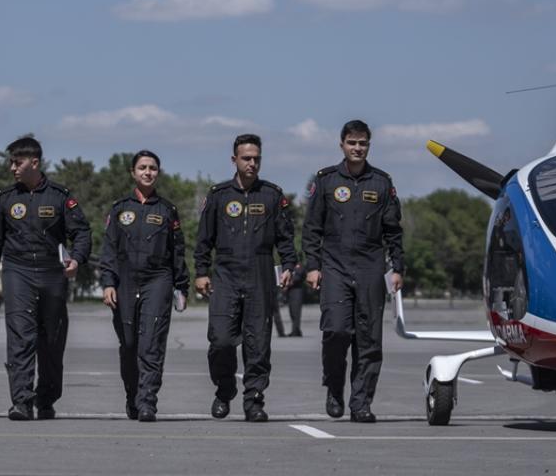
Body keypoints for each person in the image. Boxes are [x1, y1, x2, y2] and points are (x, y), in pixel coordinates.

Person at [0, 136, 91, 421]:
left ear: (34, 162)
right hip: (18, 272)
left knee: (51, 340)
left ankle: (46, 398)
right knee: (20, 336)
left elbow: (82, 233)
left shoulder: (60, 196)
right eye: (11, 162)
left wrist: (76, 259)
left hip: (53, 274)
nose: (12, 168)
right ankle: (22, 401)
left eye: (17, 163)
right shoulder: (5, 198)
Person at [303, 120, 404, 423]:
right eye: (352, 143)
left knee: (369, 340)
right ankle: (334, 387)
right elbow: (312, 228)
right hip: (334, 265)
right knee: (336, 330)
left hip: (371, 267)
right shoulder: (326, 180)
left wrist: (397, 267)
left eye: (362, 143)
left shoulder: (382, 182)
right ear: (342, 145)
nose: (357, 148)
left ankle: (360, 403)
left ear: (368, 146)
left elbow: (393, 230)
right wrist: (312, 266)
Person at [193, 134, 297, 422]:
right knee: (221, 340)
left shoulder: (272, 195)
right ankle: (224, 388)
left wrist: (288, 265)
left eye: (256, 159)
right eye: (246, 158)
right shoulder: (219, 195)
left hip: (260, 275)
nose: (252, 163)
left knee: (258, 344)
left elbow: (285, 238)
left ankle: (254, 401)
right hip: (225, 275)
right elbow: (204, 239)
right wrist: (201, 272)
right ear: (234, 160)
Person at [99, 150, 191, 423]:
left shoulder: (167, 210)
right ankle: (133, 396)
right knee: (129, 344)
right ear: (133, 172)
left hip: (158, 279)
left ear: (158, 173)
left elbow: (178, 251)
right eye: (142, 167)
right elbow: (109, 249)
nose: (147, 172)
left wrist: (181, 286)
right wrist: (108, 282)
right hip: (125, 281)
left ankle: (148, 401)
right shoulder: (119, 209)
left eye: (152, 168)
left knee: (151, 344)